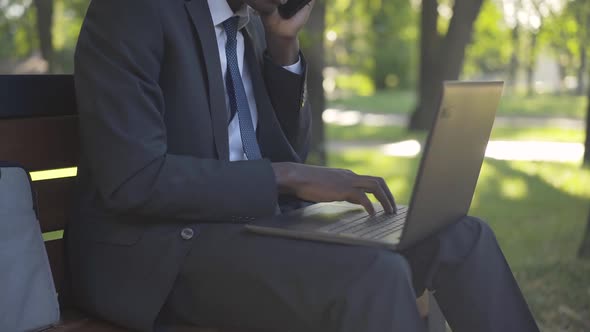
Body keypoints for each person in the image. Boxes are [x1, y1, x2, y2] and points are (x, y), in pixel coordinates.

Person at [66, 0, 539, 331]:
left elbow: (287, 151)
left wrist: (283, 47)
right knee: (377, 275)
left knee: (462, 235)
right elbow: (134, 180)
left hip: (252, 228)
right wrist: (284, 177)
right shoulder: (132, 10)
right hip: (158, 252)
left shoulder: (249, 24)